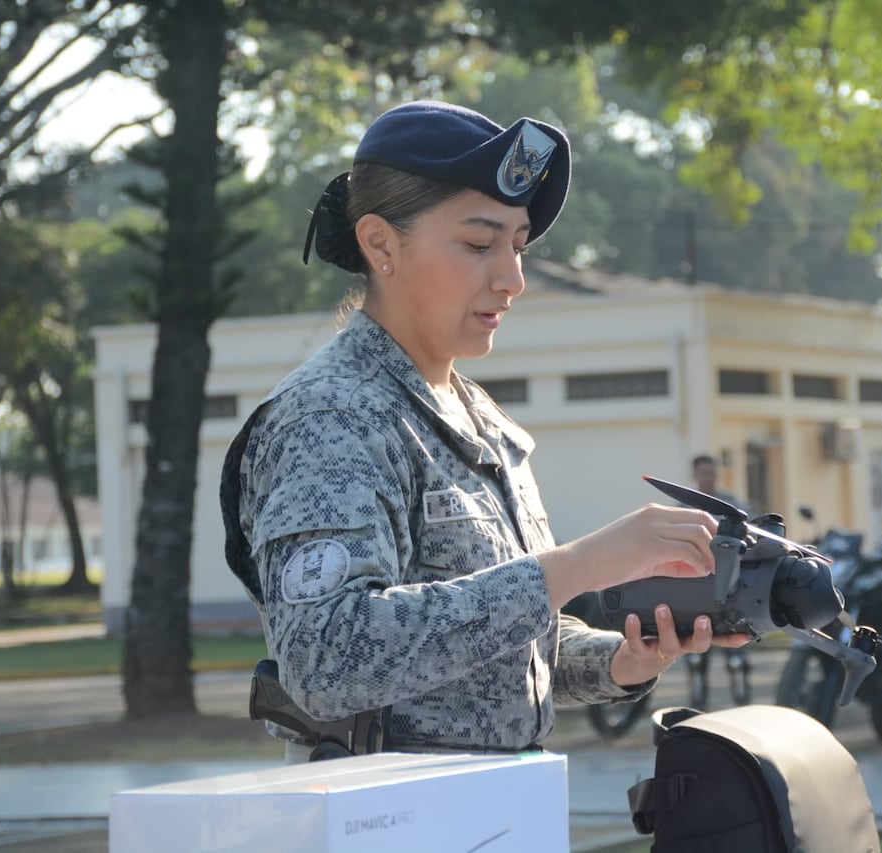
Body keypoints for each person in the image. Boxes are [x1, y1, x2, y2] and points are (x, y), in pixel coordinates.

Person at [219, 100, 748, 761]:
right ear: (381, 242)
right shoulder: (332, 416)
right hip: (387, 819)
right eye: (478, 244)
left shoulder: (480, 418)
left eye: (518, 245)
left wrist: (624, 659)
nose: (513, 277)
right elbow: (327, 660)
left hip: (497, 808)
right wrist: (580, 563)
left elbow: (509, 647)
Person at [682, 453, 753, 710]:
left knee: (736, 649)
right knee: (696, 653)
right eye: (703, 472)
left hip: (731, 584)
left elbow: (752, 535)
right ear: (695, 474)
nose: (708, 477)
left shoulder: (733, 506)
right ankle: (698, 707)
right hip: (696, 585)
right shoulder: (684, 508)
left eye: (711, 472)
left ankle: (742, 703)